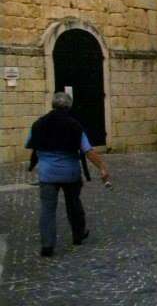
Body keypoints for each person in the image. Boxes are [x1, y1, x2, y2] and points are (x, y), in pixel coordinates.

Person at [26, 92, 110, 257]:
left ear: (52, 105)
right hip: (70, 173)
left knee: (47, 209)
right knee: (73, 204)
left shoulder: (38, 124)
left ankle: (47, 245)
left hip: (47, 174)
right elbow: (88, 151)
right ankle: (78, 235)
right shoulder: (75, 125)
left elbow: (30, 143)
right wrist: (102, 167)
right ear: (69, 107)